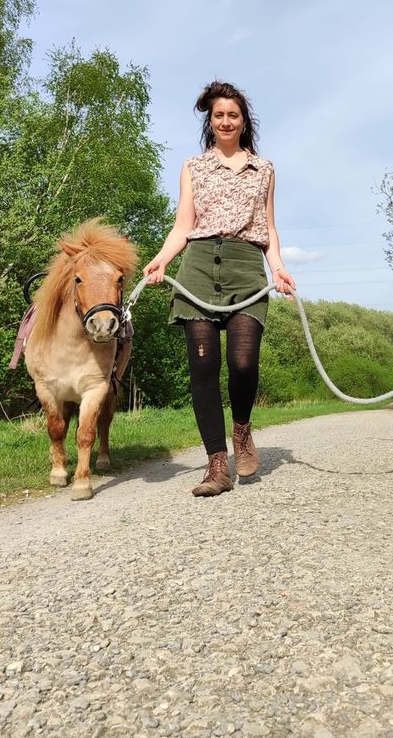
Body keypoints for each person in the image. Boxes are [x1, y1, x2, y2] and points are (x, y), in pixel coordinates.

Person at [143, 81, 296, 497]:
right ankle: (216, 466)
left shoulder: (263, 169)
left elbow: (269, 226)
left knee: (243, 362)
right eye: (218, 115)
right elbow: (182, 225)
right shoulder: (193, 167)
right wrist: (162, 259)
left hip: (246, 267)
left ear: (244, 121)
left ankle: (242, 430)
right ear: (209, 122)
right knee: (203, 370)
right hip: (197, 268)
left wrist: (278, 267)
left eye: (233, 115)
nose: (226, 121)